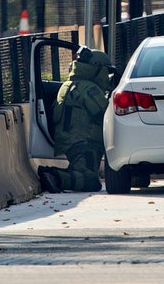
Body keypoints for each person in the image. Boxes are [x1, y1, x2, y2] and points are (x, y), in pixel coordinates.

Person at [38, 46, 114, 193]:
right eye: (107, 71)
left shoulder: (67, 85)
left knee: (81, 172)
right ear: (96, 68)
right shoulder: (89, 88)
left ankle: (55, 175)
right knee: (91, 181)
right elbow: (106, 115)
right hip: (84, 143)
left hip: (70, 142)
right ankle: (55, 176)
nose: (108, 76)